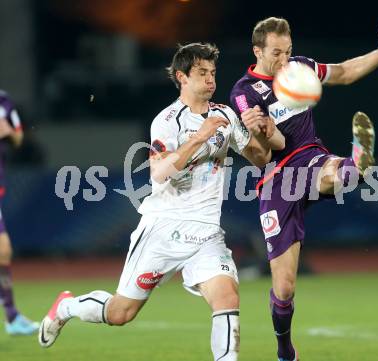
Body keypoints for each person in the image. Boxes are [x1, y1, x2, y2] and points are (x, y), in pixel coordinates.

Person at [38, 43, 284, 360]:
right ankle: (67, 306)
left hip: (207, 232)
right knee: (121, 313)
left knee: (226, 296)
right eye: (202, 73)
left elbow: (260, 158)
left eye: (213, 73)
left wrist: (261, 132)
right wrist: (199, 137)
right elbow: (159, 173)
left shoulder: (225, 115)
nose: (210, 80)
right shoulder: (167, 121)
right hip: (163, 230)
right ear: (182, 77)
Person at [230, 17, 378, 361]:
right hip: (277, 178)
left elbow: (346, 72)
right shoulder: (244, 92)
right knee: (284, 286)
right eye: (276, 53)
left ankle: (355, 164)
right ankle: (284, 350)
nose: (284, 60)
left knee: (331, 171)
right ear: (257, 50)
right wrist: (260, 127)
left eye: (288, 51)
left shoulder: (301, 68)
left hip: (309, 156)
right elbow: (269, 148)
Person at [0, 90, 39, 335]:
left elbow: (19, 138)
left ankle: (12, 317)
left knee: (3, 251)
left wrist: (9, 133)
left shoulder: (3, 101)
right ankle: (12, 316)